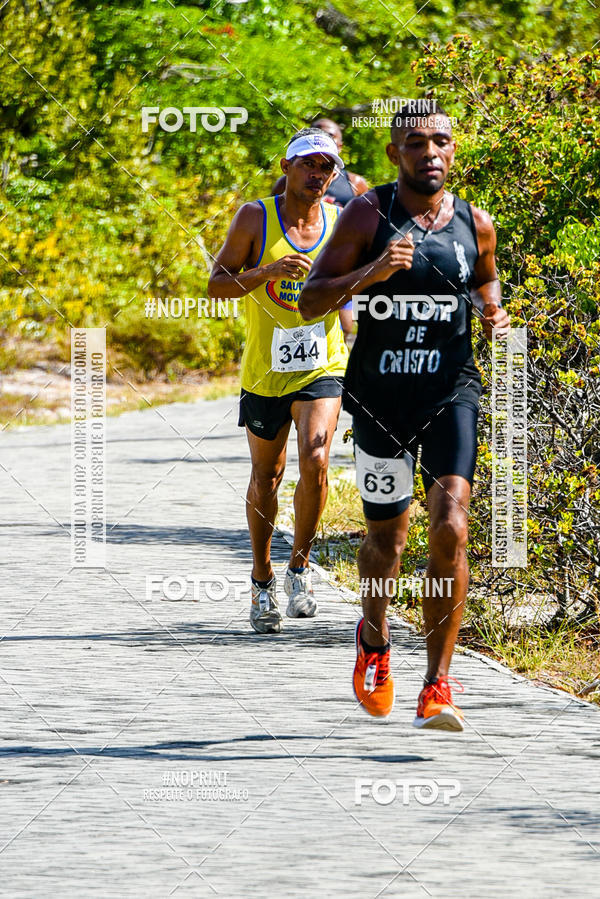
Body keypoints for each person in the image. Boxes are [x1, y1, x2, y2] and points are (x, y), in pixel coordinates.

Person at [299, 107, 510, 729]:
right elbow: (313, 296)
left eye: (440, 141)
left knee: (451, 526)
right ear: (395, 154)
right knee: (387, 541)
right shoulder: (370, 213)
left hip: (450, 395)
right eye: (415, 143)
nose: (430, 153)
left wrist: (492, 312)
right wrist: (373, 271)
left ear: (454, 149)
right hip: (380, 401)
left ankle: (439, 684)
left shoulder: (477, 222)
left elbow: (486, 285)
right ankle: (374, 638)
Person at [208, 128, 348, 634]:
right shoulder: (255, 217)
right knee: (267, 476)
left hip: (322, 363)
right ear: (287, 168)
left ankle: (300, 568)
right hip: (265, 369)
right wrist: (267, 271)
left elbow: (354, 285)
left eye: (326, 167)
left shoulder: (340, 221)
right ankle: (262, 577)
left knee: (316, 457)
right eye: (308, 164)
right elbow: (217, 285)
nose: (317, 174)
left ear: (334, 176)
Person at [272, 118, 368, 344]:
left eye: (331, 138)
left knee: (345, 324)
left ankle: (340, 369)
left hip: (337, 264)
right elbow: (274, 215)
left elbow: (368, 224)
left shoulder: (355, 184)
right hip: (299, 259)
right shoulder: (287, 182)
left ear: (340, 147)